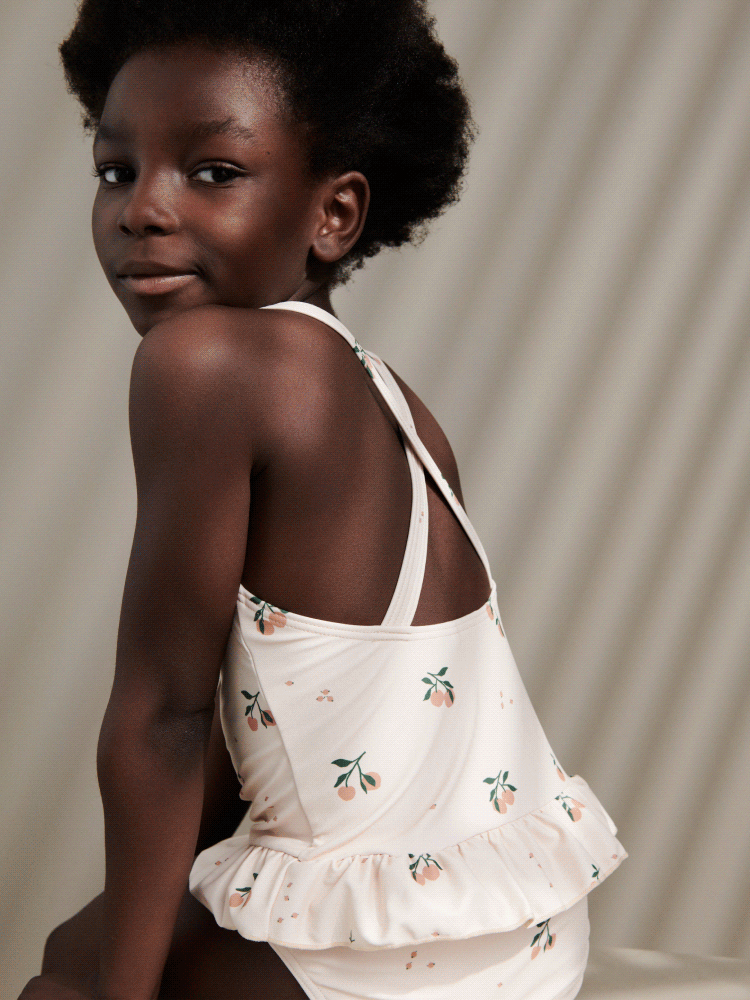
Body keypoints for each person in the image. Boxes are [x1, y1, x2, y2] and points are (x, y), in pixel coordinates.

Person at [20, 2, 627, 998]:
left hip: (391, 966)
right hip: (527, 937)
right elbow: (259, 734)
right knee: (84, 945)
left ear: (334, 214)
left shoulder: (203, 364)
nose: (141, 210)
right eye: (117, 169)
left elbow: (165, 720)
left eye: (213, 171)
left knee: (62, 981)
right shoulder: (396, 403)